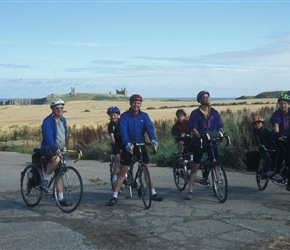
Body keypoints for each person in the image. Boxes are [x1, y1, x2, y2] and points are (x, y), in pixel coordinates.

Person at [108, 94, 163, 206]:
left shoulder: (144, 116)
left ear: (140, 104)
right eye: (134, 102)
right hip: (129, 146)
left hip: (141, 144)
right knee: (123, 171)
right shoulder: (124, 116)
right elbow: (123, 131)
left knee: (147, 169)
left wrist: (153, 139)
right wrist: (127, 143)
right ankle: (114, 195)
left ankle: (153, 192)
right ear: (130, 103)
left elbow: (149, 128)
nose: (136, 105)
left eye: (138, 103)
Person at [186, 90, 224, 200]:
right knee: (195, 166)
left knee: (215, 164)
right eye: (204, 97)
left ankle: (217, 187)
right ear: (200, 100)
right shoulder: (195, 113)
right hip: (200, 143)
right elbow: (193, 127)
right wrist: (199, 136)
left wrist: (220, 132)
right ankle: (190, 190)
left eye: (208, 97)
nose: (206, 99)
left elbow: (220, 125)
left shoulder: (215, 112)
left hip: (212, 142)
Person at [39, 98, 69, 206]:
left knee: (59, 173)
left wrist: (64, 146)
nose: (60, 110)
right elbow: (48, 137)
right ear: (52, 109)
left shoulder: (63, 120)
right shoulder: (47, 121)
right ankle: (45, 179)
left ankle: (60, 199)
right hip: (48, 148)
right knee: (56, 160)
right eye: (57, 108)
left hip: (59, 149)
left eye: (61, 108)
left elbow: (64, 135)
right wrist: (53, 147)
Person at [270, 93, 290, 191]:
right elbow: (276, 123)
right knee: (282, 151)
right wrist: (277, 133)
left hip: (289, 136)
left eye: (285, 104)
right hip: (279, 137)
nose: (283, 106)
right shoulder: (276, 114)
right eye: (281, 104)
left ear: (289, 104)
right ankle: (277, 172)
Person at [107, 106, 122, 187]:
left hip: (123, 142)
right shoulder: (110, 125)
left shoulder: (121, 122)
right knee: (118, 158)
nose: (113, 117)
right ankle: (115, 176)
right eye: (111, 115)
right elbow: (112, 136)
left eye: (115, 115)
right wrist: (114, 144)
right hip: (116, 143)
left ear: (118, 115)